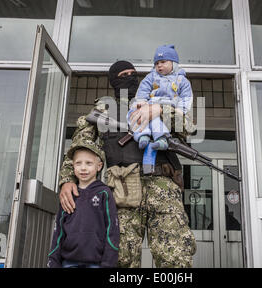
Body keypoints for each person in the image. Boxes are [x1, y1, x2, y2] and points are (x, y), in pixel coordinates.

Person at [58, 60, 197, 268]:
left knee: (175, 258)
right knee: (121, 259)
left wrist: (159, 110)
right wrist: (67, 180)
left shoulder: (157, 100)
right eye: (124, 75)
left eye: (133, 74)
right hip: (123, 192)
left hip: (163, 188)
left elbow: (188, 126)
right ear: (114, 81)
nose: (130, 78)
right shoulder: (102, 110)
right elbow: (81, 144)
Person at [47, 139, 119, 268]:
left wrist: (108, 263)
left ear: (99, 166)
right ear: (73, 166)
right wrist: (53, 261)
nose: (83, 168)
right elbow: (58, 232)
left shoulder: (104, 193)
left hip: (96, 262)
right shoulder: (68, 195)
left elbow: (112, 230)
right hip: (68, 262)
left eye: (89, 163)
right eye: (78, 163)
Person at [127, 44, 193, 151]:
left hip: (169, 106)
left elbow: (186, 97)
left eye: (163, 62)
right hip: (150, 104)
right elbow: (143, 88)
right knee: (133, 113)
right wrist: (141, 101)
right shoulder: (151, 76)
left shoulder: (181, 80)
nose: (159, 65)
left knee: (156, 121)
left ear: (174, 63)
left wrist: (180, 110)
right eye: (156, 63)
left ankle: (161, 139)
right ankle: (142, 135)